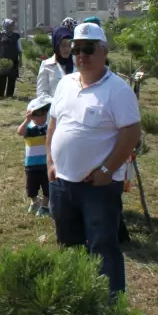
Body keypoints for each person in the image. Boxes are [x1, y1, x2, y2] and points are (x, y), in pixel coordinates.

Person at [46, 22, 141, 296]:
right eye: (76, 49)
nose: (81, 55)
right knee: (69, 244)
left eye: (88, 49)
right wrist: (50, 162)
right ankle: (77, 299)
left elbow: (131, 132)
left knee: (102, 246)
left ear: (104, 52)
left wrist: (107, 169)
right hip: (62, 184)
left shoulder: (117, 90)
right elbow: (54, 124)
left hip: (98, 187)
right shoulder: (65, 84)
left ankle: (110, 307)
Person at [18, 95, 52, 217]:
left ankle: (44, 206)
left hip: (46, 163)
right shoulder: (29, 129)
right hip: (31, 164)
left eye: (44, 114)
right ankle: (34, 201)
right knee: (31, 189)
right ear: (31, 116)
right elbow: (20, 132)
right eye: (39, 114)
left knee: (48, 187)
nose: (43, 117)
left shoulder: (49, 128)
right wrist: (27, 120)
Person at [36, 26, 73, 98]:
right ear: (56, 45)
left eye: (69, 45)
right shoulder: (46, 65)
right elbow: (41, 93)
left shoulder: (77, 65)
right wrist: (56, 104)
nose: (67, 49)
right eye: (63, 45)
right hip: (53, 107)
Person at [0, 18, 22, 99]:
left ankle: (9, 95)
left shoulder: (16, 36)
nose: (12, 27)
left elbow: (19, 49)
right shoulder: (0, 35)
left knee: (12, 78)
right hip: (2, 60)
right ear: (6, 25)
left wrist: (20, 60)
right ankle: (0, 94)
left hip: (13, 60)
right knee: (2, 77)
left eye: (13, 25)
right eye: (10, 25)